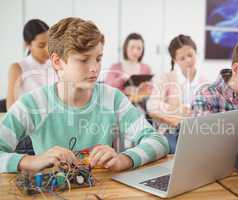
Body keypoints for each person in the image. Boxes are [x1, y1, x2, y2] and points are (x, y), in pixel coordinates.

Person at [0, 17, 169, 173]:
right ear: (58, 61)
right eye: (83, 60)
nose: (94, 68)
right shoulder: (33, 103)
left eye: (98, 58)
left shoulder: (113, 98)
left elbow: (158, 140)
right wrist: (32, 161)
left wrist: (123, 159)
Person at [146, 34, 207, 153]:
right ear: (175, 60)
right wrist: (178, 110)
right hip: (172, 132)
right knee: (184, 152)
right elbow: (152, 106)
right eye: (182, 58)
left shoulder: (205, 82)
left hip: (199, 132)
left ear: (196, 53)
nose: (188, 60)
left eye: (190, 55)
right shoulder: (165, 78)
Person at [6, 19, 57, 109]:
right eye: (41, 45)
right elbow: (11, 107)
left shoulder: (56, 64)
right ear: (27, 45)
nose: (47, 50)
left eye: (49, 44)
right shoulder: (18, 68)